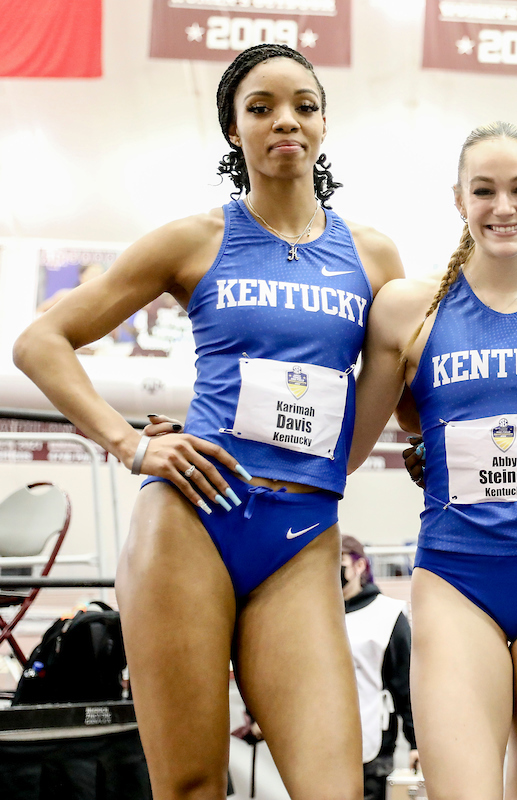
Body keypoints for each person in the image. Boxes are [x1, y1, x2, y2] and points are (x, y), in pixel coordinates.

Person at [13, 43, 404, 799]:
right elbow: (39, 344)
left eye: (304, 105)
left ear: (324, 124)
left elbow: (410, 386)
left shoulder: (374, 254)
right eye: (260, 108)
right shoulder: (196, 240)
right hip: (192, 522)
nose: (284, 120)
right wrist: (129, 445)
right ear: (234, 130)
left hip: (300, 535)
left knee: (334, 786)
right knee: (191, 786)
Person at [348, 121, 517, 800]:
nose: (503, 207)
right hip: (457, 573)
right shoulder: (410, 307)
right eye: (484, 190)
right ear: (458, 199)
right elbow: (345, 447)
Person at [341, 535, 418, 800]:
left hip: (373, 738)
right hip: (324, 738)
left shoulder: (387, 613)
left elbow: (405, 683)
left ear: (360, 566)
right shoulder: (318, 613)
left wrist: (415, 741)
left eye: (339, 563)